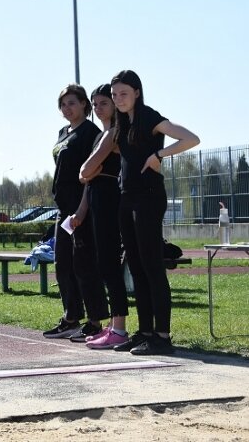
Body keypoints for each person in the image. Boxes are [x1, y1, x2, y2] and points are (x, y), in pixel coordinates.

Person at [83, 70, 199, 355]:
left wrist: (159, 155)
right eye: (114, 95)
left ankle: (162, 336)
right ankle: (144, 331)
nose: (118, 99)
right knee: (135, 268)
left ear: (136, 92)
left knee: (152, 268)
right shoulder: (121, 123)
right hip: (126, 198)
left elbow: (191, 139)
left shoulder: (149, 116)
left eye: (123, 94)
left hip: (148, 198)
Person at [43, 84, 109, 340]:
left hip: (82, 208)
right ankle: (71, 317)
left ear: (84, 104)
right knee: (63, 265)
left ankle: (95, 321)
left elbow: (91, 175)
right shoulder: (63, 132)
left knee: (84, 265)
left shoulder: (90, 132)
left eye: (72, 103)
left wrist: (83, 208)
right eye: (63, 104)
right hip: (63, 209)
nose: (67, 108)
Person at [77, 84, 129, 349]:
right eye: (95, 104)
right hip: (98, 196)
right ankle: (113, 325)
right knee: (103, 263)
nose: (98, 108)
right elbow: (83, 175)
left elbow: (86, 169)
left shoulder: (115, 133)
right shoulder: (101, 135)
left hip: (110, 198)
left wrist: (90, 172)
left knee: (110, 263)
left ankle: (119, 328)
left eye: (103, 103)